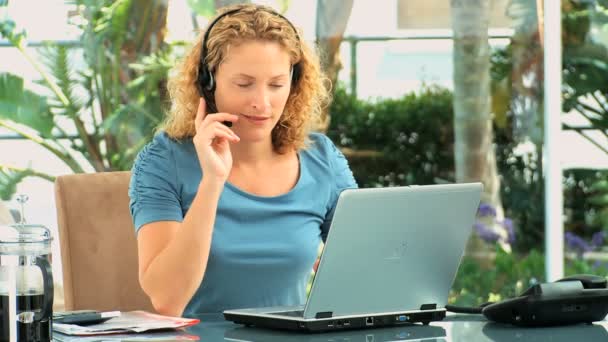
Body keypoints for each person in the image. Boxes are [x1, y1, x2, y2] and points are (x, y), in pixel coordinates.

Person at [128, 3, 357, 317]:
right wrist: (212, 182)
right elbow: (167, 299)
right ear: (208, 83)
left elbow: (363, 264)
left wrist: (347, 273)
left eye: (276, 84)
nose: (262, 103)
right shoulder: (162, 161)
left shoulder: (322, 158)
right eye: (244, 84)